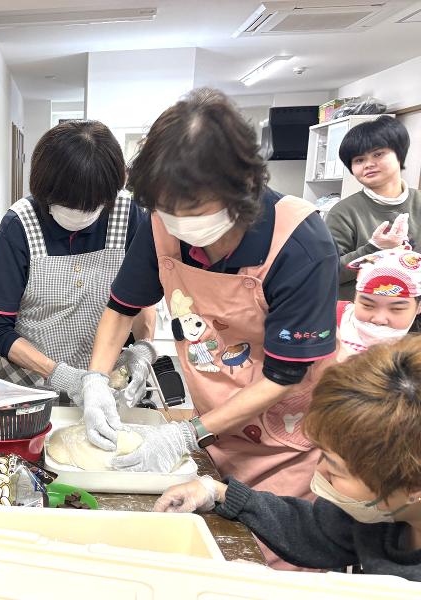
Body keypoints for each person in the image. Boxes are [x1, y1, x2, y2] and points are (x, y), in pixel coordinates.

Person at [80, 89, 339, 568]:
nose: (178, 221)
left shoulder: (300, 244)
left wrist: (187, 434)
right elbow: (122, 307)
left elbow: (284, 375)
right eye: (166, 208)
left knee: (263, 567)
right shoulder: (163, 223)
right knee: (203, 552)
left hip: (286, 445)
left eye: (194, 208)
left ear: (241, 188)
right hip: (214, 433)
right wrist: (95, 380)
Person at [153, 335, 421, 582]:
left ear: (412, 488)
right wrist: (220, 492)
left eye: (336, 470)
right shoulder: (382, 514)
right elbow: (315, 531)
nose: (319, 471)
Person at [0, 120, 156, 433]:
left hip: (108, 384)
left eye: (92, 206)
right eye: (67, 205)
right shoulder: (18, 226)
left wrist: (143, 348)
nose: (79, 213)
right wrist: (66, 377)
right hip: (28, 388)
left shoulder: (130, 216)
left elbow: (140, 297)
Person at [325, 116, 420, 301]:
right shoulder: (343, 212)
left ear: (399, 155)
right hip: (359, 310)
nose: (368, 164)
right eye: (359, 160)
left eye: (378, 154)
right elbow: (330, 272)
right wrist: (374, 249)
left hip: (413, 311)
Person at [338, 247, 421, 357]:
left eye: (396, 309)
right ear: (355, 298)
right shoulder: (326, 318)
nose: (379, 319)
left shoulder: (415, 354)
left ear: (419, 307)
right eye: (367, 305)